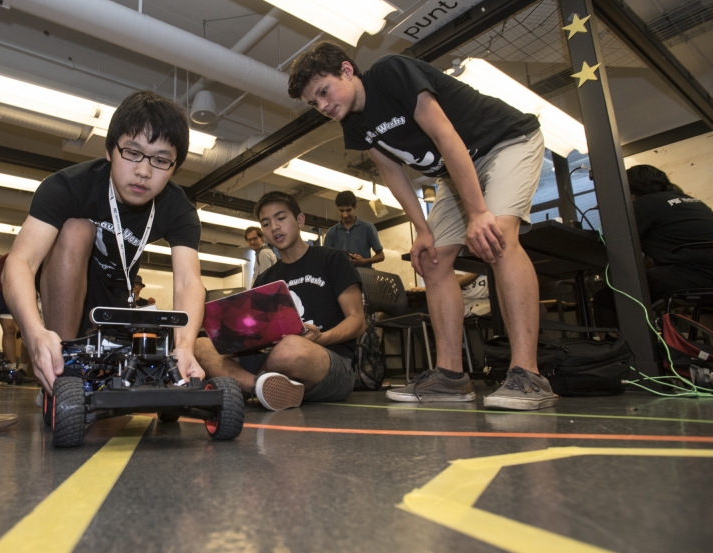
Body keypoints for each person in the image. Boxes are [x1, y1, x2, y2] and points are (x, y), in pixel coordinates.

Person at [289, 41, 556, 410]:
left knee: (499, 237)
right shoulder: (353, 121)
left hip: (505, 142)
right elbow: (391, 171)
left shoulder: (390, 72)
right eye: (314, 103)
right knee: (431, 259)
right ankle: (450, 377)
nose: (322, 106)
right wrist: (423, 231)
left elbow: (446, 137)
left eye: (323, 91)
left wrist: (478, 212)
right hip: (452, 171)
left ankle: (528, 374)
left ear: (347, 71)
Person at [3, 91, 206, 398]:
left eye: (161, 160)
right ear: (110, 150)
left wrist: (185, 346)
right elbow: (19, 263)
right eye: (132, 152)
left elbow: (189, 282)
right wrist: (35, 334)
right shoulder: (67, 186)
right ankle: (63, 369)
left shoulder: (178, 208)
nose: (144, 171)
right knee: (75, 228)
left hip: (118, 301)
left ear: (175, 167)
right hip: (64, 288)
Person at [194, 191, 366, 411]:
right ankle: (261, 388)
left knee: (291, 348)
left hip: (329, 362)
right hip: (273, 360)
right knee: (200, 344)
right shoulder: (264, 280)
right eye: (266, 223)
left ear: (300, 220)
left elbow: (358, 321)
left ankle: (249, 386)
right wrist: (231, 341)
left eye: (281, 218)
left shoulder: (332, 259)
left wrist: (320, 338)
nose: (274, 227)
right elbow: (257, 337)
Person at [594, 165, 713, 327]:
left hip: (693, 274)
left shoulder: (643, 205)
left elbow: (611, 239)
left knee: (607, 297)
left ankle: (618, 350)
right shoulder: (692, 201)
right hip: (703, 275)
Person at [324, 190, 385, 266]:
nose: (345, 215)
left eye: (348, 210)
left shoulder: (368, 228)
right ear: (337, 208)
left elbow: (381, 256)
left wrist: (364, 261)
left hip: (362, 276)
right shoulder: (331, 232)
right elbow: (325, 258)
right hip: (339, 276)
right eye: (341, 210)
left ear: (356, 207)